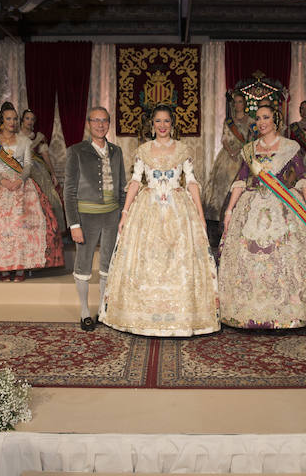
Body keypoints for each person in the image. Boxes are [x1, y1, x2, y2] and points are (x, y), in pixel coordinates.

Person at [100, 105, 220, 336]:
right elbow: (135, 181)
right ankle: (139, 316)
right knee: (147, 258)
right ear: (152, 124)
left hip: (178, 209)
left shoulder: (183, 149)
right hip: (148, 208)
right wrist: (124, 213)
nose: (162, 126)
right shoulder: (143, 150)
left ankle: (184, 316)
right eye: (158, 121)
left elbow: (192, 182)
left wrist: (201, 216)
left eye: (166, 121)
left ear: (172, 124)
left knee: (180, 261)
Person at [218, 104, 306, 329]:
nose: (261, 122)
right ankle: (250, 310)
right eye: (258, 118)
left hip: (284, 206)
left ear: (275, 120)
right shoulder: (249, 149)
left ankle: (287, 309)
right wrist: (230, 210)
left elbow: (302, 178)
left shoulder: (290, 147)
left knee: (285, 256)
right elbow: (241, 181)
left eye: (266, 117)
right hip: (252, 205)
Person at [0, 105, 63, 281]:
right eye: (9, 119)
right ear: (2, 121)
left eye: (15, 119)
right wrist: (2, 181)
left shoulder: (24, 141)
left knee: (22, 224)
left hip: (22, 185)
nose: (13, 122)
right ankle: (3, 268)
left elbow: (28, 164)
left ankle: (20, 267)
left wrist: (20, 180)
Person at [64, 107, 126, 331]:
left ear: (109, 124)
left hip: (112, 215)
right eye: (96, 121)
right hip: (86, 216)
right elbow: (69, 191)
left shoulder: (116, 151)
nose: (100, 125)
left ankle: (102, 310)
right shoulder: (76, 151)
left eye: (104, 121)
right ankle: (84, 311)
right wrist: (74, 224)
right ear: (88, 124)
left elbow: (122, 188)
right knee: (83, 263)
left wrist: (122, 216)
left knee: (108, 263)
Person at [203, 91, 253, 221]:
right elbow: (224, 138)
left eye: (240, 101)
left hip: (243, 155)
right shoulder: (229, 121)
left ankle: (239, 215)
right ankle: (221, 215)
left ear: (245, 103)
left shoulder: (251, 121)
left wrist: (238, 151)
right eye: (235, 102)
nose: (237, 104)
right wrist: (230, 151)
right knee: (222, 182)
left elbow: (252, 141)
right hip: (227, 155)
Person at [20, 108, 66, 231]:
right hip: (18, 167)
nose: (29, 121)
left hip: (36, 168)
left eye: (32, 119)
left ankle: (47, 229)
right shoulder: (15, 136)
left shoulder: (38, 137)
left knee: (47, 197)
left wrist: (53, 174)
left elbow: (45, 155)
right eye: (27, 118)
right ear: (22, 120)